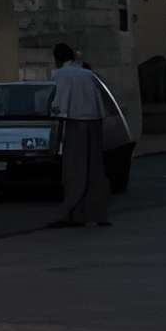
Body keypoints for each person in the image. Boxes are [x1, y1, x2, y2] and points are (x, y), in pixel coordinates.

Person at [49, 40, 111, 227]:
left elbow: (56, 102)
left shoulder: (58, 75)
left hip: (74, 121)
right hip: (94, 120)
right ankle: (96, 213)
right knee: (95, 169)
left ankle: (73, 213)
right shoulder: (88, 74)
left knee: (74, 170)